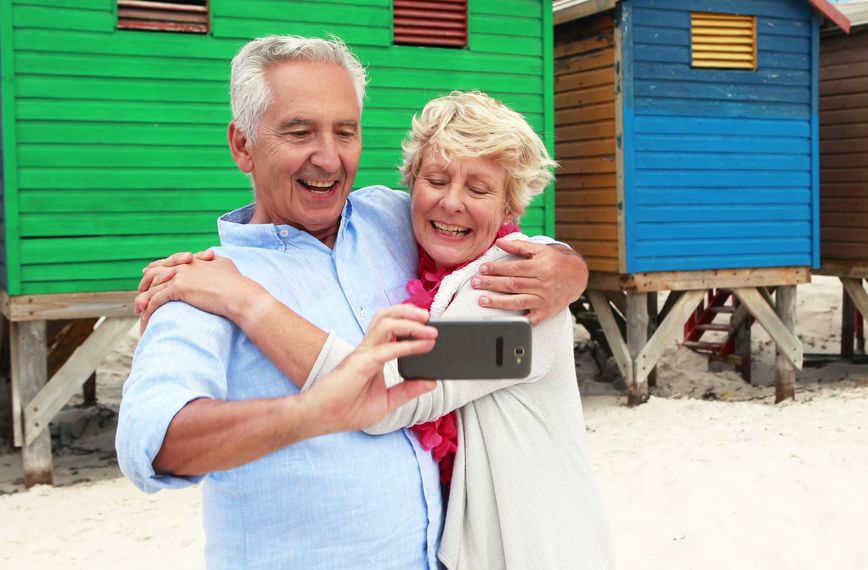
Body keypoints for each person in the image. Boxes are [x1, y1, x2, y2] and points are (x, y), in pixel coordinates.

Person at [115, 36, 588, 569]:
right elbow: (152, 442)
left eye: (345, 131)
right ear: (243, 145)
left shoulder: (429, 242)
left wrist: (570, 265)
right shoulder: (204, 288)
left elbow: (409, 386)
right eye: (299, 132)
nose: (328, 156)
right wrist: (301, 415)